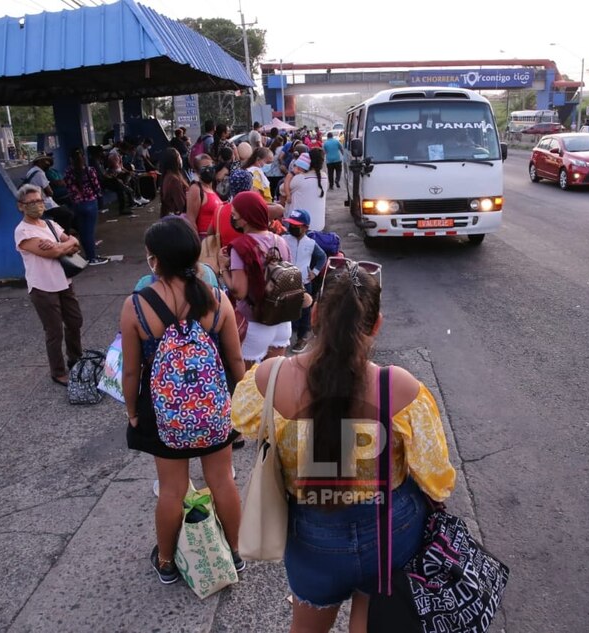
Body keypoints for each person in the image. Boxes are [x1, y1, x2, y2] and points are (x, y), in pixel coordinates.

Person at [231, 257, 456, 632]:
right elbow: (437, 479)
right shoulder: (398, 387)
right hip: (391, 532)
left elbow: (243, 422)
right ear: (377, 324)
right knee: (371, 619)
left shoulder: (271, 378)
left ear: (315, 314)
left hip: (311, 538)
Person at [121, 218, 246, 585]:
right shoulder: (217, 300)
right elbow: (235, 361)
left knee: (172, 489)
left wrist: (132, 412)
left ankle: (165, 561)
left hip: (164, 414)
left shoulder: (136, 306)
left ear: (155, 260)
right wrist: (238, 402)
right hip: (213, 407)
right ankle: (235, 553)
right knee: (222, 480)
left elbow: (130, 373)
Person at [13, 183, 84, 386]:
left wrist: (60, 245)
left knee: (75, 322)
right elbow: (51, 253)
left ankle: (76, 358)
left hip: (64, 282)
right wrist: (63, 246)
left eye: (39, 201)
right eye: (32, 202)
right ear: (21, 206)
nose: (38, 205)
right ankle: (58, 371)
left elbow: (75, 242)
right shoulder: (22, 231)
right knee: (54, 331)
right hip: (42, 287)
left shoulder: (51, 225)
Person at [218, 191, 294, 367]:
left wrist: (223, 268)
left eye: (235, 213)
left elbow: (239, 291)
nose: (232, 217)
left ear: (245, 218)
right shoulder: (280, 241)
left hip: (257, 323)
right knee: (273, 378)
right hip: (282, 320)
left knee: (248, 383)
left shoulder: (240, 246)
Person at [282, 209, 326, 354]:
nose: (292, 227)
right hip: (286, 280)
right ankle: (284, 336)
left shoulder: (311, 243)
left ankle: (303, 337)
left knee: (305, 310)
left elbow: (322, 257)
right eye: (291, 224)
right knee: (285, 308)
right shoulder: (284, 239)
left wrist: (314, 272)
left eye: (296, 225)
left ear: (305, 227)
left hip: (304, 282)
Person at [63, 148, 108, 265]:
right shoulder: (89, 170)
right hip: (90, 202)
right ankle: (92, 258)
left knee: (83, 232)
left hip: (77, 204)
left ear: (70, 160)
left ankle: (88, 256)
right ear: (83, 158)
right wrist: (100, 199)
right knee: (90, 232)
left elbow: (68, 188)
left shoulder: (68, 172)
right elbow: (97, 187)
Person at [24, 154, 75, 233]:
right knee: (68, 214)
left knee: (62, 213)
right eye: (45, 160)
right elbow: (50, 192)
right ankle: (63, 236)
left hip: (35, 201)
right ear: (40, 162)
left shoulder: (31, 171)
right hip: (45, 204)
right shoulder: (40, 173)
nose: (47, 163)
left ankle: (59, 233)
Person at [286, 148, 327, 232]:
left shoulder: (300, 178)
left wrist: (291, 175)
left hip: (299, 227)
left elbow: (283, 189)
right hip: (319, 226)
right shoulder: (325, 177)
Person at [186, 154, 223, 239]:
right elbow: (191, 220)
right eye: (204, 168)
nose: (208, 170)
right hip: (205, 240)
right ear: (197, 172)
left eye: (211, 166)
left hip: (215, 239)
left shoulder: (211, 189)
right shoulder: (196, 189)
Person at [159, 148, 188, 218]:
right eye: (178, 156)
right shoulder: (174, 180)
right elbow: (181, 204)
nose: (180, 159)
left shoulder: (169, 175)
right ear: (174, 161)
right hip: (177, 218)